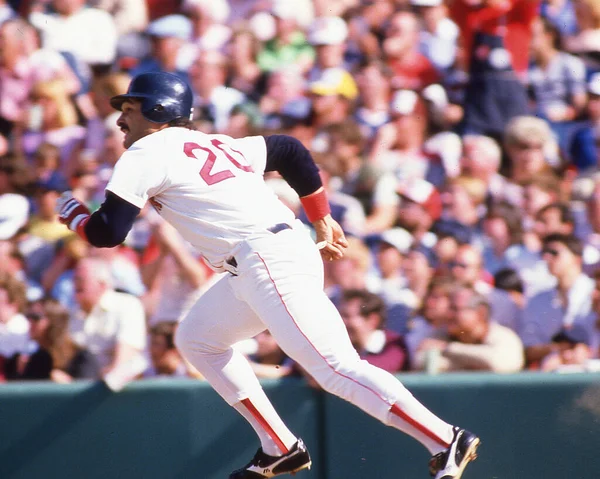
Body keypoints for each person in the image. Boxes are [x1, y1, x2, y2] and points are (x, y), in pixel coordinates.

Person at [55, 71, 479, 479]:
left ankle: (444, 438)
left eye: (130, 107)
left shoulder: (145, 151)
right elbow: (288, 150)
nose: (120, 118)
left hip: (265, 258)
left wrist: (73, 215)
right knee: (197, 340)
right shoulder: (213, 143)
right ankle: (280, 446)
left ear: (159, 110)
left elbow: (108, 232)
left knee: (335, 368)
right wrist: (321, 214)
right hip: (266, 258)